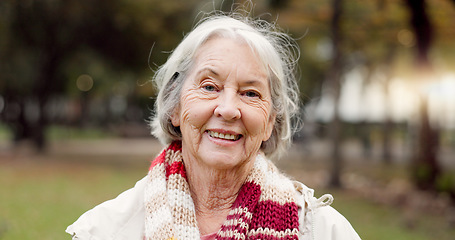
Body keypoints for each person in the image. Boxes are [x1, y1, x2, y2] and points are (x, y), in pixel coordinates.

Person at [66, 12, 361, 240]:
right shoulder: (105, 230)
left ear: (270, 121)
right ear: (175, 108)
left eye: (250, 93)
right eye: (209, 87)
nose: (229, 109)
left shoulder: (322, 230)